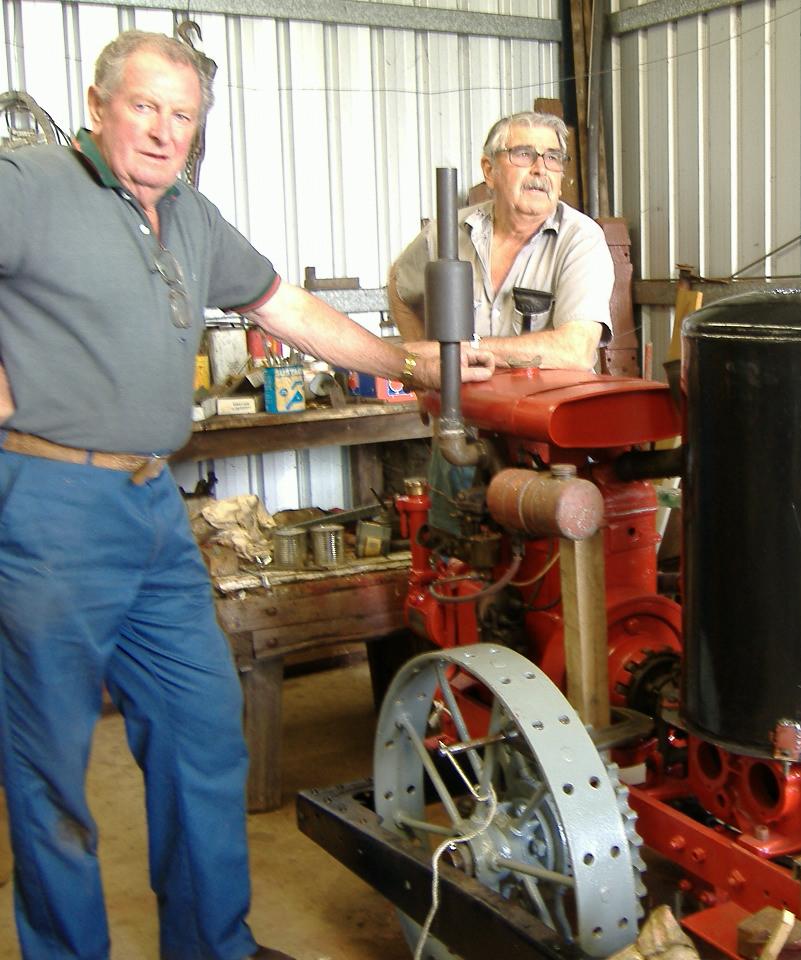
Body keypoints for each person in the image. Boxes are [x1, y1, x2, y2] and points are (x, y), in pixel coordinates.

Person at [0, 30, 493, 960]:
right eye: (144, 106)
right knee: (48, 765)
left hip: (152, 504)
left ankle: (210, 945)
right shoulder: (30, 185)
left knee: (201, 730)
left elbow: (285, 309)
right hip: (49, 503)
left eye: (181, 115)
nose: (161, 131)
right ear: (100, 104)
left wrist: (407, 365)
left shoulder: (189, 216)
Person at [387, 111, 616, 371]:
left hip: (546, 409)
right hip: (467, 409)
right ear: (489, 171)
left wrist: (459, 351)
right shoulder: (446, 234)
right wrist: (423, 367)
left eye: (553, 158)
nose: (540, 169)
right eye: (523, 154)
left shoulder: (581, 239)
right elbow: (399, 285)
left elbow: (575, 351)